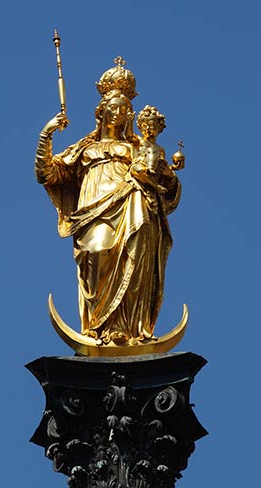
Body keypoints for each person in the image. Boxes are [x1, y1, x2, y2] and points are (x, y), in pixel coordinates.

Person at [34, 61, 181, 346]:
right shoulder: (85, 148)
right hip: (94, 211)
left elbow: (169, 192)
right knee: (96, 250)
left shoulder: (139, 148)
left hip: (133, 205)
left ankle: (128, 330)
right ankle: (97, 327)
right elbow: (47, 173)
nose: (121, 112)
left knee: (133, 255)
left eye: (126, 108)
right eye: (114, 106)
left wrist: (167, 174)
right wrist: (47, 134)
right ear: (101, 112)